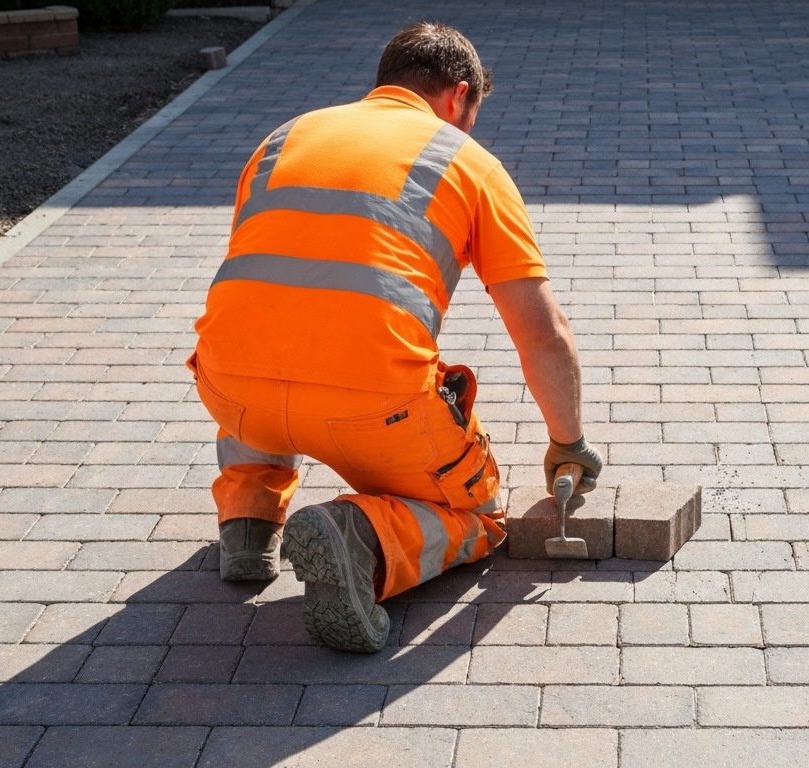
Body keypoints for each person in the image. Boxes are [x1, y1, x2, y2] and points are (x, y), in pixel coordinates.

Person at [188, 21, 602, 653]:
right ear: (459, 95)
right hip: (375, 407)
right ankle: (363, 538)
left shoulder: (284, 137)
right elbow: (542, 333)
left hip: (232, 391)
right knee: (480, 514)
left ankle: (247, 524)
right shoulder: (470, 162)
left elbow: (265, 278)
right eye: (470, 114)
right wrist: (567, 441)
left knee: (264, 335)